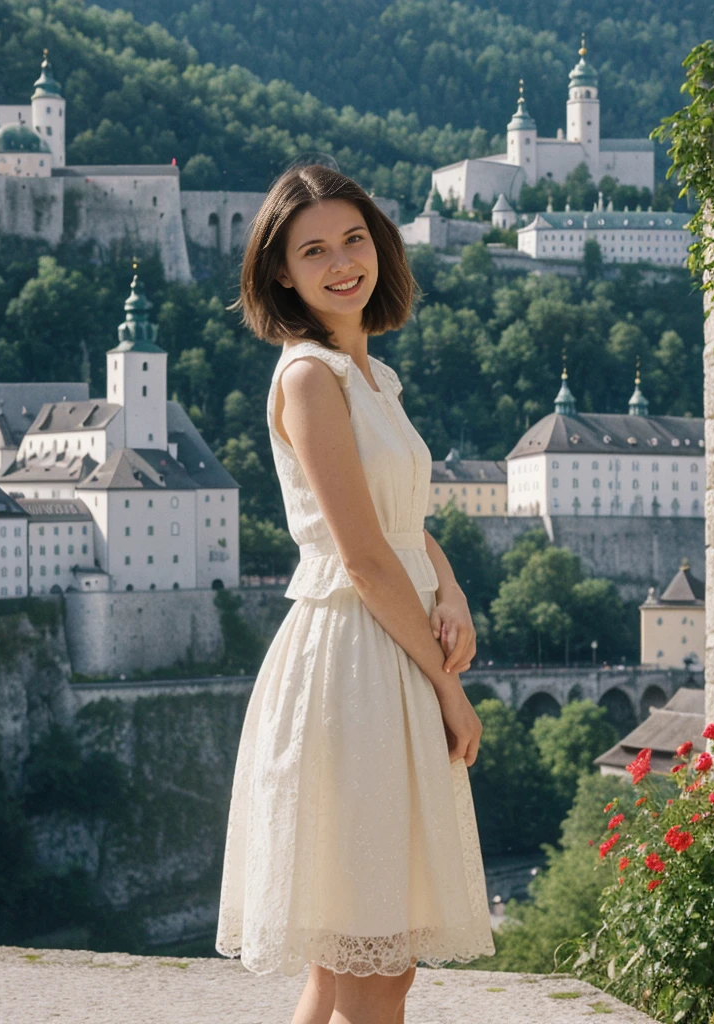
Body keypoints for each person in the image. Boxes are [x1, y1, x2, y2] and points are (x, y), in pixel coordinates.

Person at [215, 164, 494, 1024]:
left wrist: (451, 588)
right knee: (376, 969)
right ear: (280, 274)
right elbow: (364, 555)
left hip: (393, 649)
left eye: (353, 239)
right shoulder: (308, 378)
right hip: (356, 659)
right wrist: (449, 690)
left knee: (350, 968)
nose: (342, 262)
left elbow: (407, 524)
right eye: (313, 250)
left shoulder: (375, 379)